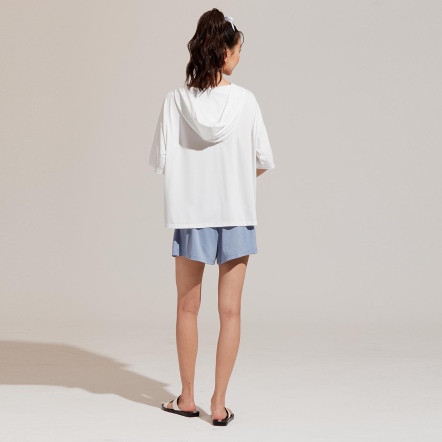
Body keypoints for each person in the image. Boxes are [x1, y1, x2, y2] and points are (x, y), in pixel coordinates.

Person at [149, 8, 275, 426]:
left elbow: (163, 162)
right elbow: (261, 161)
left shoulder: (175, 101)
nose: (239, 56)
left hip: (191, 214)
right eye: (237, 50)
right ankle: (218, 405)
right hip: (236, 213)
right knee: (231, 311)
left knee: (187, 307)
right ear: (223, 51)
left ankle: (186, 398)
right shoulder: (247, 101)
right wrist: (231, 177)